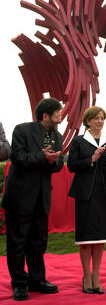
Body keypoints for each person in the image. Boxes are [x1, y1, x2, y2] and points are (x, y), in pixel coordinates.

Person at [2, 98, 63, 301]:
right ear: (46, 115)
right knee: (18, 242)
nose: (61, 116)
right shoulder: (22, 130)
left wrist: (53, 161)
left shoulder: (57, 135)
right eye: (57, 113)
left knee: (38, 242)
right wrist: (42, 157)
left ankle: (37, 280)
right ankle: (19, 283)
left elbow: (59, 163)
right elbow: (17, 157)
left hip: (42, 197)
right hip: (19, 197)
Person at [67, 106, 106, 295]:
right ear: (87, 121)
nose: (99, 121)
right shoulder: (78, 142)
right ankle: (86, 275)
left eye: (102, 118)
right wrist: (92, 159)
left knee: (100, 238)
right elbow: (72, 165)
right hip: (85, 195)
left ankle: (96, 275)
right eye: (96, 118)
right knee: (86, 239)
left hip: (104, 194)